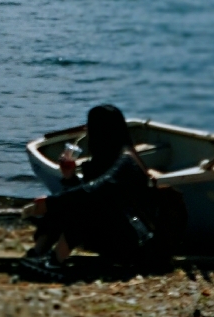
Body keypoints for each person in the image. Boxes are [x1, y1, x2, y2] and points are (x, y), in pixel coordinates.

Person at [19, 104, 186, 280]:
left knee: (81, 204)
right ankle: (38, 253)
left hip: (138, 244)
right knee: (72, 201)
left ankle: (54, 262)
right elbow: (88, 192)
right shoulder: (105, 159)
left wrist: (50, 203)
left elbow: (97, 191)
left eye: (90, 126)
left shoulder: (126, 162)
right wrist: (69, 177)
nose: (86, 130)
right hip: (118, 236)